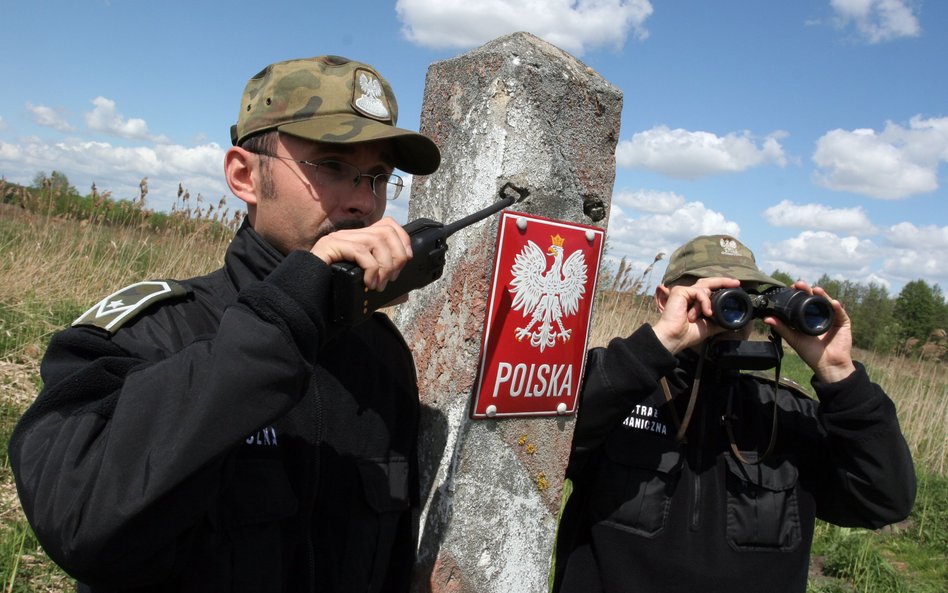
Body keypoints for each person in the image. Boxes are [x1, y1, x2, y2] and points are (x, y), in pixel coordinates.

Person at [9, 55, 441, 593]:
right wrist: (286, 317)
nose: (363, 202)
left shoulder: (381, 353)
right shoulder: (151, 333)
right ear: (244, 175)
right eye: (332, 166)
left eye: (378, 178)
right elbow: (78, 520)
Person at [551, 235, 916, 593]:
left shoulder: (785, 413)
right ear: (665, 299)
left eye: (746, 300)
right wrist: (656, 346)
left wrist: (839, 374)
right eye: (717, 296)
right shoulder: (616, 385)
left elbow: (884, 501)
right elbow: (545, 451)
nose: (732, 317)